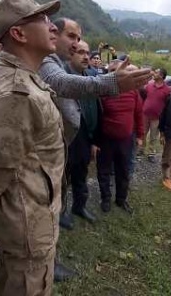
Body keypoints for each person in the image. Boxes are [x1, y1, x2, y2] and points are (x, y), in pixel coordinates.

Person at [0, 0, 65, 296]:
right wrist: (0, 215)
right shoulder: (15, 91)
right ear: (19, 33)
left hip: (27, 214)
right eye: (43, 19)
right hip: (28, 220)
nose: (53, 27)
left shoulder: (19, 76)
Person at [39, 17, 151, 281]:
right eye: (73, 38)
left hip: (80, 139)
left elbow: (108, 112)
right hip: (55, 146)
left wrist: (131, 135)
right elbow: (65, 85)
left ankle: (53, 249)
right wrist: (111, 82)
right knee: (50, 200)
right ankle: (44, 263)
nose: (79, 47)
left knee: (74, 183)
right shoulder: (49, 65)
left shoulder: (57, 65)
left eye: (80, 41)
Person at [97, 60, 144, 214]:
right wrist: (94, 141)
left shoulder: (133, 92)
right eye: (110, 71)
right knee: (103, 170)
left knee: (123, 170)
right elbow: (97, 116)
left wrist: (140, 135)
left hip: (126, 139)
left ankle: (121, 199)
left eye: (116, 71)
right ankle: (105, 199)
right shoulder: (102, 91)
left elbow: (138, 114)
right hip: (106, 139)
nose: (113, 74)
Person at [64, 40, 101, 224]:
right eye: (81, 52)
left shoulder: (91, 78)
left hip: (85, 138)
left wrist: (94, 141)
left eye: (87, 52)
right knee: (63, 177)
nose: (86, 56)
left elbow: (97, 110)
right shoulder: (61, 77)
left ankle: (79, 207)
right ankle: (60, 212)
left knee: (81, 174)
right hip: (65, 139)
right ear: (70, 54)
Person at [141, 68, 171, 162]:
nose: (153, 73)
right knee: (143, 134)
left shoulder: (167, 90)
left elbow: (167, 105)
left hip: (157, 118)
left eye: (156, 72)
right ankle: (140, 150)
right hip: (145, 115)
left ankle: (151, 154)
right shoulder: (149, 85)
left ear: (161, 76)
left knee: (154, 136)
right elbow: (144, 96)